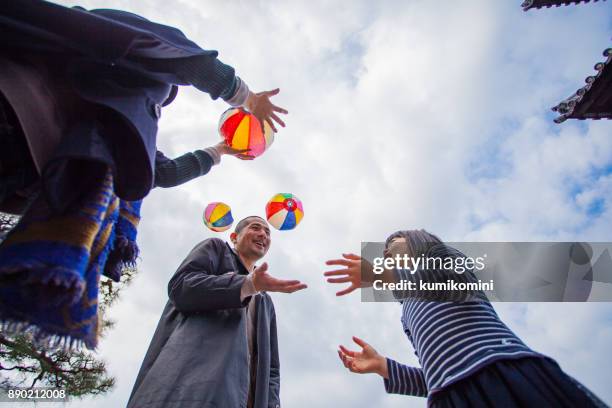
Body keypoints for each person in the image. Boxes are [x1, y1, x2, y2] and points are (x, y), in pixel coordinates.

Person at [0, 1, 287, 213]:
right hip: (15, 110)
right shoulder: (116, 41)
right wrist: (249, 99)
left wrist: (221, 150)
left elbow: (162, 173)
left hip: (27, 170)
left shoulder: (115, 124)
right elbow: (186, 60)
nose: (157, 102)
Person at [325, 229, 606, 407]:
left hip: (501, 371)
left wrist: (379, 275)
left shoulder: (447, 261)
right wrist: (385, 367)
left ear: (421, 243)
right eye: (384, 250)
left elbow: (443, 277)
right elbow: (439, 378)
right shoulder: (407, 310)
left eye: (394, 242)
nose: (387, 251)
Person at [128, 216, 307, 408]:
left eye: (267, 232)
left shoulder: (264, 301)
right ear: (234, 237)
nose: (263, 234)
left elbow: (271, 368)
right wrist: (247, 284)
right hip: (187, 393)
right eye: (255, 228)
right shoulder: (216, 249)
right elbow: (181, 287)